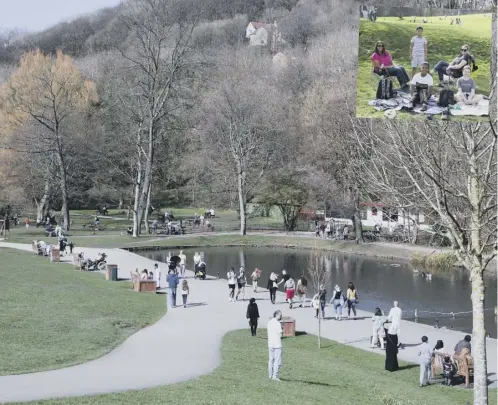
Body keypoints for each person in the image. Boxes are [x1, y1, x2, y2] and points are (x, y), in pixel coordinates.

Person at [267, 310, 283, 381]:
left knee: (271, 360)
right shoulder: (278, 324)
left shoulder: (269, 322)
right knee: (277, 361)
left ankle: (270, 375)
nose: (281, 317)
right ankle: (275, 376)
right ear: (276, 315)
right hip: (277, 344)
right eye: (280, 315)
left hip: (270, 343)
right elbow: (280, 334)